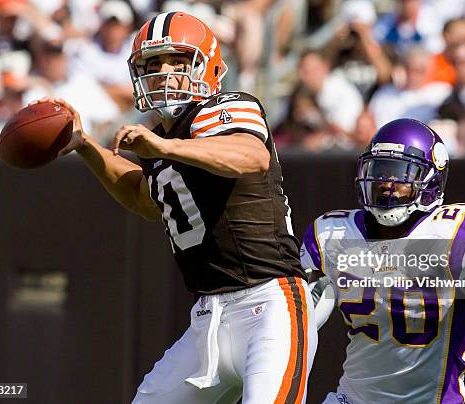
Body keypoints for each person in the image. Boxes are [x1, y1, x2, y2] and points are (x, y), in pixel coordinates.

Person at [31, 11, 317, 404]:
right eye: (153, 64)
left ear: (209, 66)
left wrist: (164, 147)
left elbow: (252, 156)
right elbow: (143, 198)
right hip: (206, 319)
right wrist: (84, 145)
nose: (163, 72)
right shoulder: (164, 138)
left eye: (177, 61)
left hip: (268, 304)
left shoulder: (227, 106)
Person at [301, 119, 465, 404]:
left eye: (401, 174)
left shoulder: (454, 228)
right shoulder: (333, 232)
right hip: (351, 399)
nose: (387, 184)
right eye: (380, 171)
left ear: (430, 180)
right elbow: (307, 306)